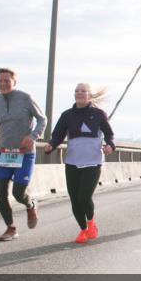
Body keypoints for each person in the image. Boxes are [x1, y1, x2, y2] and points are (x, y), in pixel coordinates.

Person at [0, 68, 46, 242]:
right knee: (1, 191)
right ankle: (11, 228)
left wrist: (33, 136)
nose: (3, 84)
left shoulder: (25, 98)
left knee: (18, 193)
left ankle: (31, 204)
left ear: (14, 82)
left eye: (6, 80)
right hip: (5, 153)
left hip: (24, 153)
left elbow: (42, 119)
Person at [44, 83, 115, 243]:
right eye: (77, 91)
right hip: (72, 161)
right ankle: (83, 229)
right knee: (74, 199)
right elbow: (58, 135)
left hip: (93, 161)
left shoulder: (98, 114)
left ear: (89, 95)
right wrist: (51, 146)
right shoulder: (67, 115)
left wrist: (110, 145)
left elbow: (110, 134)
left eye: (83, 91)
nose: (79, 93)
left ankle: (91, 223)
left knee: (84, 196)